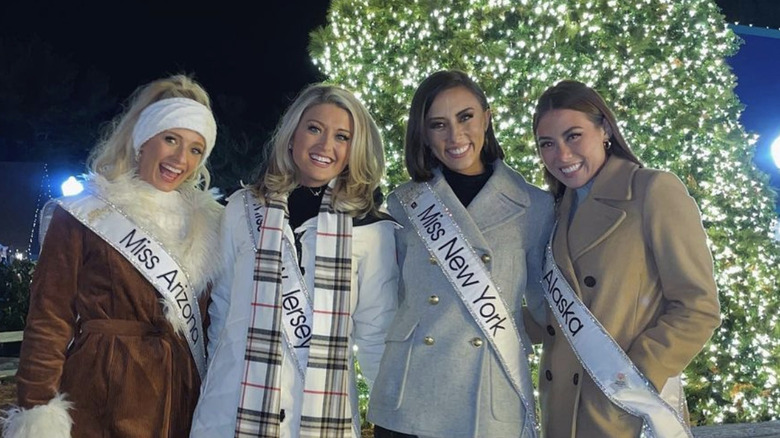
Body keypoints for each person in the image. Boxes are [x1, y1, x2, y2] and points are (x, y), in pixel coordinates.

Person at [1, 75, 222, 438]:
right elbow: (49, 318)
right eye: (171, 139)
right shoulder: (86, 213)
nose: (181, 159)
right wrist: (37, 408)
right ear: (142, 140)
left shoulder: (210, 224)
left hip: (182, 397)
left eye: (196, 149)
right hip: (101, 395)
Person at [190, 84, 399, 438]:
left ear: (354, 148)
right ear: (292, 135)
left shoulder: (371, 229)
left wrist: (391, 423)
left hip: (319, 416)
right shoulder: (243, 209)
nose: (325, 146)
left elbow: (377, 333)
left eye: (342, 136)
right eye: (314, 128)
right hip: (233, 410)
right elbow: (221, 312)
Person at [368, 70, 553, 438]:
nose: (455, 136)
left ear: (487, 116)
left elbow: (545, 308)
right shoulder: (404, 204)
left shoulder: (535, 206)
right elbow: (392, 299)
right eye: (438, 124)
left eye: (466, 117)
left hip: (487, 394)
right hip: (410, 394)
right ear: (424, 134)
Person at [532, 80, 721, 437]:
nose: (562, 155)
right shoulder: (556, 210)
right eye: (547, 144)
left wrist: (634, 375)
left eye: (574, 136)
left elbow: (698, 306)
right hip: (560, 407)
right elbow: (556, 312)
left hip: (623, 407)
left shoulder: (653, 190)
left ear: (604, 129)